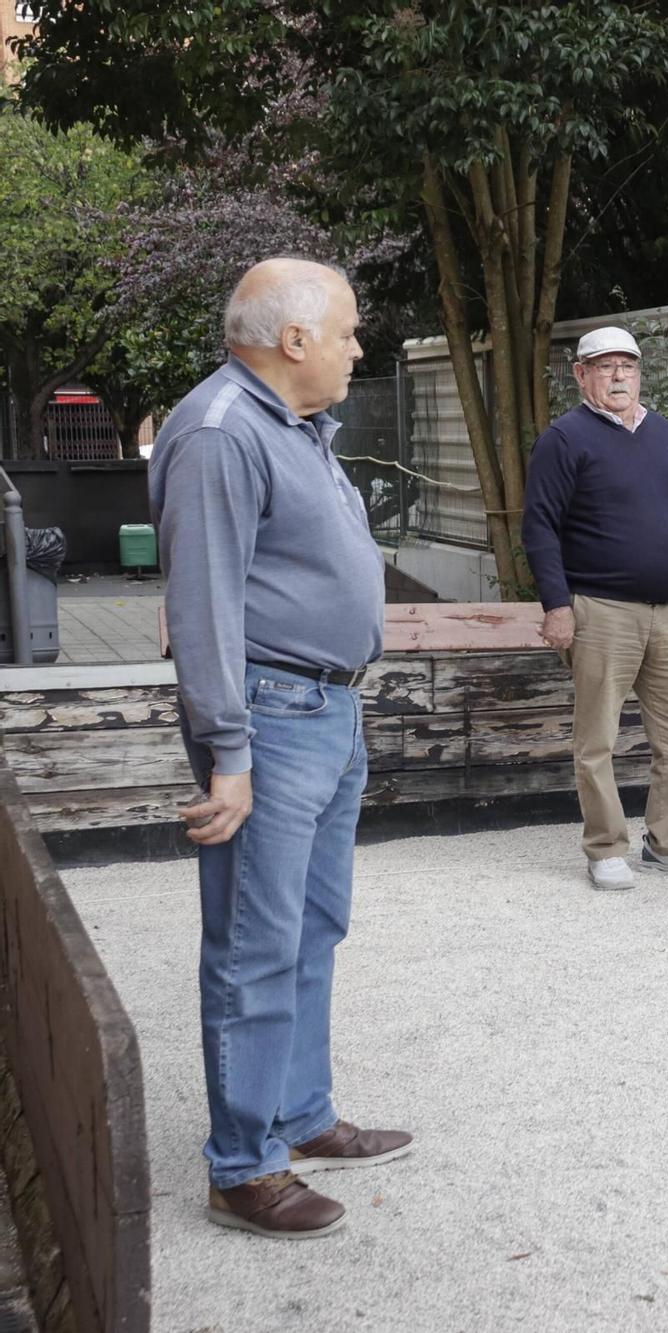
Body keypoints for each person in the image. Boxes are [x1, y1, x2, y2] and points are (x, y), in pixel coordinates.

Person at [151, 257, 412, 1240]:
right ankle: (243, 1168)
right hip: (269, 715)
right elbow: (202, 607)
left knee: (310, 927)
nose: (357, 348)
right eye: (347, 331)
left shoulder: (292, 427)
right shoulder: (221, 434)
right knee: (256, 945)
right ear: (293, 340)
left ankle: (299, 1115)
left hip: (325, 712)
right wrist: (227, 750)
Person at [522, 326, 668, 890]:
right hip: (601, 610)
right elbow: (539, 527)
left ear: (639, 373)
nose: (617, 376)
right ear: (580, 375)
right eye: (604, 366)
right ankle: (606, 847)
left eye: (626, 366)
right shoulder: (564, 438)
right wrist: (557, 605)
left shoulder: (663, 432)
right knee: (597, 740)